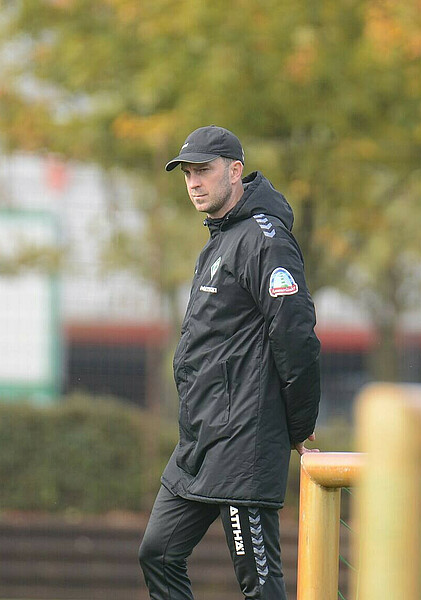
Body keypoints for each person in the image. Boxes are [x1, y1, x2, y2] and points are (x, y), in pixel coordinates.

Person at [138, 125, 322, 600]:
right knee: (157, 553)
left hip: (243, 443)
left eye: (203, 170)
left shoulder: (266, 239)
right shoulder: (222, 237)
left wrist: (298, 428)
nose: (193, 182)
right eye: (187, 174)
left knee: (260, 589)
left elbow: (295, 335)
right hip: (201, 441)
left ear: (235, 171)